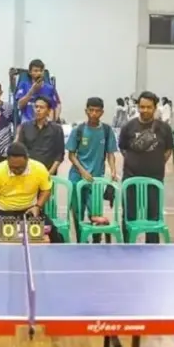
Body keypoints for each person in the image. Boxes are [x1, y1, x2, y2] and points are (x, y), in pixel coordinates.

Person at [0, 142, 62, 243]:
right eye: (12, 167)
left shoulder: (39, 168)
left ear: (27, 159)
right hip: (2, 209)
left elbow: (46, 190)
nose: (16, 170)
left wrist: (37, 206)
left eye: (20, 167)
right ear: (7, 161)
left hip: (28, 209)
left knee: (52, 232)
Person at [118, 91, 174, 244]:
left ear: (155, 108)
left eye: (149, 107)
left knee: (153, 216)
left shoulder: (164, 128)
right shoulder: (128, 127)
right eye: (142, 107)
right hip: (130, 178)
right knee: (129, 215)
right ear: (138, 107)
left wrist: (157, 162)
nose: (145, 110)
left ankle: (152, 248)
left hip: (155, 179)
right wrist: (134, 162)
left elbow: (168, 150)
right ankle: (128, 246)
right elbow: (123, 148)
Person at [66, 97, 119, 242]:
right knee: (77, 211)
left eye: (97, 111)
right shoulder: (78, 130)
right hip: (77, 177)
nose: (94, 113)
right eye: (91, 110)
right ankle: (81, 240)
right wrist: (82, 171)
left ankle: (96, 240)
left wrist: (113, 170)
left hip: (96, 179)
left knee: (95, 212)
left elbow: (110, 154)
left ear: (102, 112)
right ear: (86, 111)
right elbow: (71, 155)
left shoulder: (107, 131)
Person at [16, 95, 65, 174]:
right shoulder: (25, 127)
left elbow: (60, 154)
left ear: (49, 110)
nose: (38, 110)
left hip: (49, 172)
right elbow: (20, 150)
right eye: (36, 107)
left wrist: (51, 172)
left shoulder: (57, 129)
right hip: (28, 172)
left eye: (41, 107)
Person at [13, 59, 61, 125]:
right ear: (30, 72)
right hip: (27, 121)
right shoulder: (23, 85)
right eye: (36, 71)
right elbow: (20, 105)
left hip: (45, 122)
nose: (39, 73)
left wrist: (52, 121)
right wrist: (31, 91)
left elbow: (57, 105)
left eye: (41, 71)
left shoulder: (50, 88)